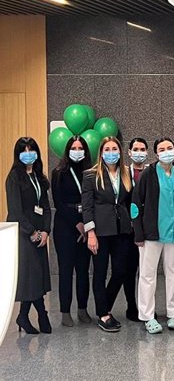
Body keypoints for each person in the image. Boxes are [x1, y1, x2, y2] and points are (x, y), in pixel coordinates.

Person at [132, 137, 174, 334]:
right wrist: (138, 233)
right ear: (156, 153)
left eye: (170, 148)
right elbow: (135, 204)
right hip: (151, 234)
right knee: (148, 275)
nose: (166, 151)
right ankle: (147, 315)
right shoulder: (148, 173)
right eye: (162, 149)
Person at [82, 136, 133, 332]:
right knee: (100, 273)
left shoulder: (125, 174)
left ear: (120, 152)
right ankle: (103, 314)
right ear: (101, 153)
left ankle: (105, 307)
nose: (111, 152)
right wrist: (91, 233)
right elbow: (87, 207)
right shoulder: (90, 175)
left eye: (115, 149)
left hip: (122, 231)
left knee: (120, 271)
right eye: (108, 149)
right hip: (100, 232)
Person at [6, 137, 52, 334]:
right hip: (24, 234)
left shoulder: (40, 177)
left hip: (40, 233)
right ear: (18, 154)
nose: (28, 154)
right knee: (32, 275)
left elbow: (46, 207)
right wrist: (32, 232)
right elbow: (15, 211)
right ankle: (41, 314)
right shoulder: (14, 177)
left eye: (31, 150)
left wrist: (45, 232)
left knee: (38, 275)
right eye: (24, 150)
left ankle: (23, 316)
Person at [51, 135, 93, 327]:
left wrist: (86, 224)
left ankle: (83, 309)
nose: (77, 151)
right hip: (65, 226)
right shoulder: (59, 172)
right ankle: (65, 311)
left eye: (80, 147)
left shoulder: (90, 172)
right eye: (74, 147)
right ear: (68, 150)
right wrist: (77, 223)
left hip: (87, 224)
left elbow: (93, 200)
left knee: (83, 270)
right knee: (66, 270)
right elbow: (58, 202)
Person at [125, 137, 148, 321]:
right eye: (136, 149)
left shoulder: (150, 172)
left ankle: (145, 307)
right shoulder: (124, 173)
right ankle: (131, 306)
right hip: (127, 228)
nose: (139, 152)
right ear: (129, 152)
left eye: (142, 149)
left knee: (146, 271)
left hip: (146, 228)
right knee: (129, 269)